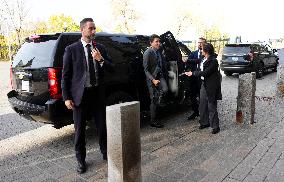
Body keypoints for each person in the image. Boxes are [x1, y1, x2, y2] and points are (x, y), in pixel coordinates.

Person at [61, 18, 113, 174]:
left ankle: (105, 153)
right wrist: (66, 97)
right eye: (91, 28)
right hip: (80, 97)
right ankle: (81, 160)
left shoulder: (100, 48)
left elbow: (112, 68)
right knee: (79, 131)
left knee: (102, 127)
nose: (94, 31)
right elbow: (65, 76)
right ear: (82, 29)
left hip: (97, 94)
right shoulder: (71, 49)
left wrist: (100, 59)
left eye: (95, 28)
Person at [185, 43, 222, 134]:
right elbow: (196, 61)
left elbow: (205, 72)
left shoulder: (213, 61)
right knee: (202, 104)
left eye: (202, 49)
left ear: (206, 51)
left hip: (211, 86)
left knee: (211, 106)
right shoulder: (203, 58)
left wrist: (192, 73)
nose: (200, 50)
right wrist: (187, 60)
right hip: (203, 84)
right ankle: (205, 122)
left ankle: (215, 126)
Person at [143, 34, 168, 128]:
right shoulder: (147, 53)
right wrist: (153, 80)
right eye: (156, 41)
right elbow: (145, 70)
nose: (158, 43)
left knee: (165, 90)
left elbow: (163, 64)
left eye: (159, 41)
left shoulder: (159, 51)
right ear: (151, 43)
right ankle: (153, 121)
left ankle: (159, 102)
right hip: (152, 79)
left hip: (160, 76)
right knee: (153, 99)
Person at [184, 37, 206, 121]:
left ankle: (203, 114)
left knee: (202, 97)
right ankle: (195, 112)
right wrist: (189, 71)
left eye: (201, 43)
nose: (199, 44)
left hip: (202, 79)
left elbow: (199, 61)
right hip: (193, 79)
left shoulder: (206, 55)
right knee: (192, 96)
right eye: (198, 42)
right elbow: (188, 65)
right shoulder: (193, 53)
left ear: (205, 44)